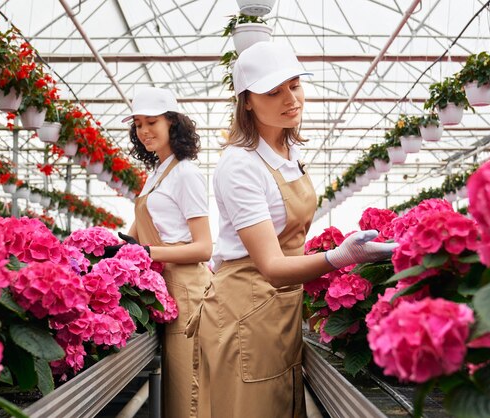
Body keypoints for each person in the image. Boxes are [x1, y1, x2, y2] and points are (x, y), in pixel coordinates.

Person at [186, 42, 397, 418]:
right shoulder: (241, 166)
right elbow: (271, 264)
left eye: (294, 85)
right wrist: (339, 257)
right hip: (246, 308)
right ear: (246, 101)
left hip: (276, 307)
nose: (291, 99)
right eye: (273, 92)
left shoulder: (287, 150)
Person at [122, 87, 212, 418]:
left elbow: (204, 246)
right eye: (139, 125)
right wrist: (111, 251)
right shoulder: (158, 172)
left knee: (189, 389)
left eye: (151, 122)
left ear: (172, 122)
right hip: (165, 285)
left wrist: (145, 252)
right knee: (175, 386)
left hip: (187, 288)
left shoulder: (186, 173)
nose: (144, 131)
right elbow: (137, 227)